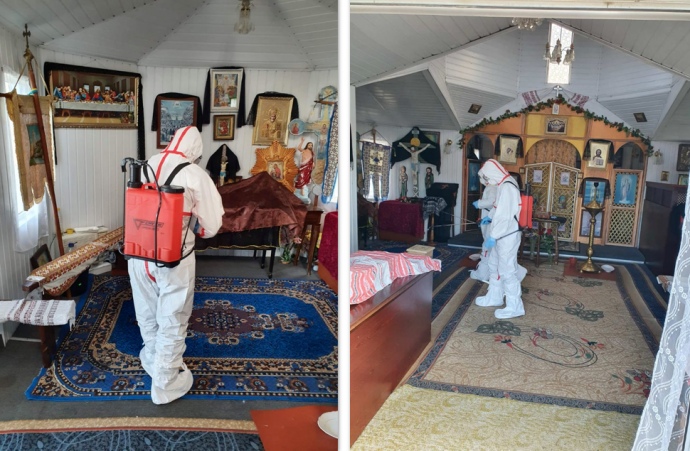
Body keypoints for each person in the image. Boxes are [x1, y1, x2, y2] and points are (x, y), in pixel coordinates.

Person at [128, 126, 224, 405]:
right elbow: (212, 225)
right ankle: (165, 384)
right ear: (195, 151)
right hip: (173, 259)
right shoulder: (195, 174)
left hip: (139, 253)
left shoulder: (146, 164)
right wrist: (196, 229)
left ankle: (153, 356)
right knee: (173, 317)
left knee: (147, 311)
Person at [474, 159, 525, 319]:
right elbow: (498, 208)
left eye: (487, 177)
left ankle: (514, 306)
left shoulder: (508, 187)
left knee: (507, 270)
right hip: (500, 234)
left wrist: (493, 236)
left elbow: (504, 217)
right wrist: (489, 217)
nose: (487, 181)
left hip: (507, 236)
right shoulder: (503, 185)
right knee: (494, 264)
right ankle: (495, 296)